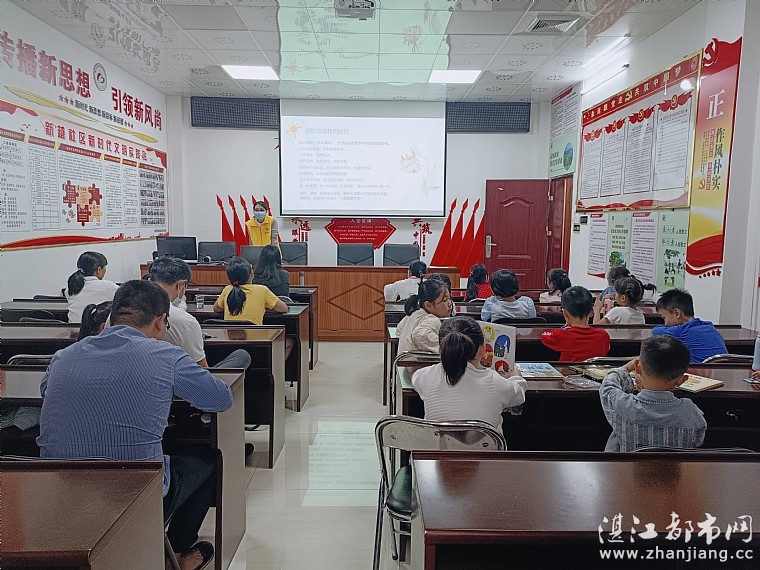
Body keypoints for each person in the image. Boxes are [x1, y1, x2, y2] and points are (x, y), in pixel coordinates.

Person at [38, 280, 233, 570]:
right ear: (160, 321)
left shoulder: (63, 357)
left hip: (57, 492)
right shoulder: (167, 357)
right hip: (134, 497)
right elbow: (220, 399)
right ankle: (177, 553)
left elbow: (46, 392)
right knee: (208, 461)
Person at [412, 316, 526, 434]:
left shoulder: (425, 376)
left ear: (441, 351)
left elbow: (416, 378)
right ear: (482, 350)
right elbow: (519, 396)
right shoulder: (495, 382)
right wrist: (516, 377)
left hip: (438, 445)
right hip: (484, 446)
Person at [600, 335, 706, 452]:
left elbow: (608, 385)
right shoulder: (691, 412)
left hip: (627, 465)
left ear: (637, 367)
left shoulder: (623, 405)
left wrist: (627, 368)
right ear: (681, 380)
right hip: (674, 465)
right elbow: (698, 441)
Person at [148, 257, 251, 369]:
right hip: (178, 376)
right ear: (181, 284)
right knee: (242, 356)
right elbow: (201, 370)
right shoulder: (186, 322)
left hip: (147, 372)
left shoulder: (138, 309)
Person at [652, 288, 727, 363]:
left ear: (677, 313)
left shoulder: (680, 332)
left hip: (700, 370)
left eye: (664, 317)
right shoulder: (709, 326)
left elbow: (655, 330)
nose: (665, 323)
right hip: (725, 369)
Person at [540, 285, 610, 361]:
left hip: (567, 369)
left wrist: (565, 327)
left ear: (565, 313)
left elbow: (544, 336)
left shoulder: (560, 335)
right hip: (593, 369)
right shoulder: (603, 336)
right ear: (591, 312)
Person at [213, 257, 287, 324]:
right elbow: (283, 308)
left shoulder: (227, 289)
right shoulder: (262, 290)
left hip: (230, 335)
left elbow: (216, 308)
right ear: (251, 274)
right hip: (255, 335)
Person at [396, 279, 452, 353]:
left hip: (403, 359)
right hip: (416, 360)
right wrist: (447, 347)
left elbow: (398, 330)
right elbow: (420, 335)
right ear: (428, 305)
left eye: (449, 298)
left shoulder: (413, 315)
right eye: (444, 300)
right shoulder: (432, 320)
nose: (450, 303)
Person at [66, 251, 119, 323]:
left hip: (73, 329)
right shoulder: (108, 286)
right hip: (96, 329)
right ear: (99, 269)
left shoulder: (71, 288)